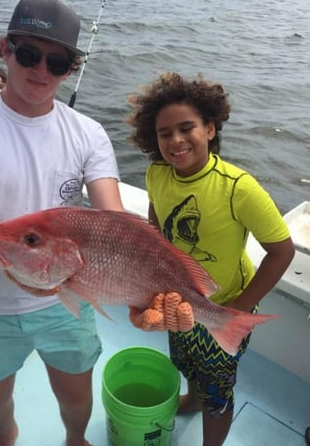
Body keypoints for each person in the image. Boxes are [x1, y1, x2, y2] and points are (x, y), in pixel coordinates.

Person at [0, 0, 192, 445]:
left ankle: (76, 438)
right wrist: (23, 266)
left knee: (76, 396)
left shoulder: (88, 133)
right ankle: (7, 433)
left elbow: (114, 222)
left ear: (71, 68)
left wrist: (146, 297)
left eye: (58, 62)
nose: (41, 69)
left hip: (67, 296)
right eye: (29, 54)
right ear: (4, 49)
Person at [125, 72, 295, 446]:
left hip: (225, 306)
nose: (176, 141)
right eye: (164, 134)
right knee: (184, 360)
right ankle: (190, 396)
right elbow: (158, 225)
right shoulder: (157, 173)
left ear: (211, 129)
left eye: (187, 128)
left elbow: (283, 251)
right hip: (179, 302)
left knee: (217, 394)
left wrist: (239, 308)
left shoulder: (239, 187)